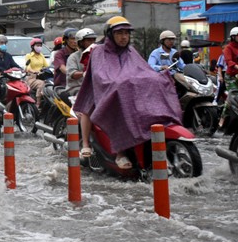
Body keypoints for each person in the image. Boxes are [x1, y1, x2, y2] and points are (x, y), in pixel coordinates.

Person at [75, 16, 182, 170]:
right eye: (119, 33)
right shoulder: (98, 51)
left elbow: (143, 69)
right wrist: (117, 83)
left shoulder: (131, 51)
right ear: (110, 34)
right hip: (99, 88)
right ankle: (104, 149)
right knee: (89, 107)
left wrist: (157, 77)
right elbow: (99, 75)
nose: (124, 37)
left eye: (126, 33)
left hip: (124, 88)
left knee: (157, 83)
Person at [65, 28, 97, 97]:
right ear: (81, 42)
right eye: (89, 40)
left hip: (94, 88)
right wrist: (84, 73)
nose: (92, 42)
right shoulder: (73, 57)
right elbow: (72, 74)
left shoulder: (98, 55)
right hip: (77, 88)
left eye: (93, 40)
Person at [219, 28, 238, 128]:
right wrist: (236, 66)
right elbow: (229, 61)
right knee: (233, 97)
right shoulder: (228, 48)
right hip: (230, 76)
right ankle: (222, 119)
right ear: (233, 37)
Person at [23, 37, 49, 107]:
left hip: (42, 76)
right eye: (37, 45)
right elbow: (27, 67)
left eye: (40, 46)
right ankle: (38, 104)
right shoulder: (29, 56)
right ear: (32, 47)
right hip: (32, 78)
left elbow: (46, 66)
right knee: (41, 84)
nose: (39, 47)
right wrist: (35, 72)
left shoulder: (42, 56)